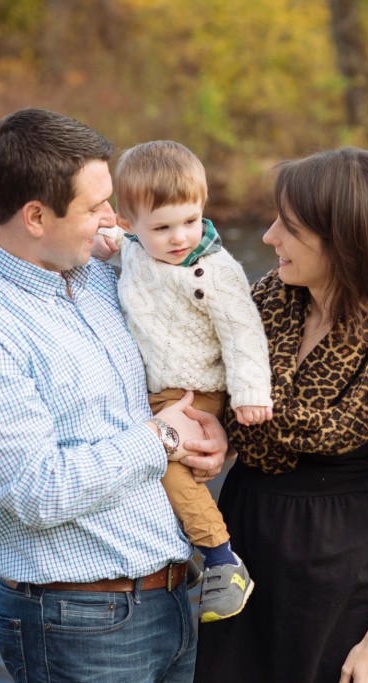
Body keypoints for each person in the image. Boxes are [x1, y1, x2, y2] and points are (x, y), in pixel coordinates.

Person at [0, 108, 228, 683]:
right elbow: (37, 490)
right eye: (94, 207)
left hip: (177, 599)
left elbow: (179, 362)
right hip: (79, 623)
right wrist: (161, 439)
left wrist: (205, 437)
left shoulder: (103, 277)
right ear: (36, 215)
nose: (113, 218)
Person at [194, 147, 368, 683]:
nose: (269, 237)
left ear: (345, 242)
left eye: (290, 227)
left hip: (339, 595)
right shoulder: (257, 310)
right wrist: (219, 439)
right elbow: (237, 419)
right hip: (241, 570)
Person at [95, 140, 271, 622]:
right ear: (132, 226)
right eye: (163, 227)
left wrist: (251, 394)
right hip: (151, 392)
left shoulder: (212, 271)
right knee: (124, 456)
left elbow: (243, 333)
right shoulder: (134, 248)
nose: (180, 237)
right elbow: (113, 244)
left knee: (165, 461)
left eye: (190, 221)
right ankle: (179, 552)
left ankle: (221, 558)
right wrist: (98, 242)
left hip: (196, 391)